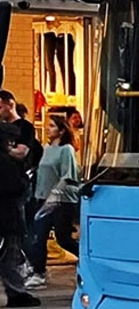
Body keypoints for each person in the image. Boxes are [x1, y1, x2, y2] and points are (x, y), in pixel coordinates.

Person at [25, 115, 80, 289]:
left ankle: (85, 258)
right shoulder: (47, 148)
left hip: (61, 199)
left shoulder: (66, 150)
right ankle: (38, 271)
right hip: (43, 197)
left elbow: (68, 176)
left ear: (61, 130)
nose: (48, 129)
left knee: (62, 238)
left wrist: (54, 196)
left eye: (52, 126)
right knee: (38, 235)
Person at [0, 122, 38, 308]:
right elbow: (14, 187)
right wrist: (24, 180)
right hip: (6, 217)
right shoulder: (6, 162)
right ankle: (16, 292)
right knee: (10, 256)